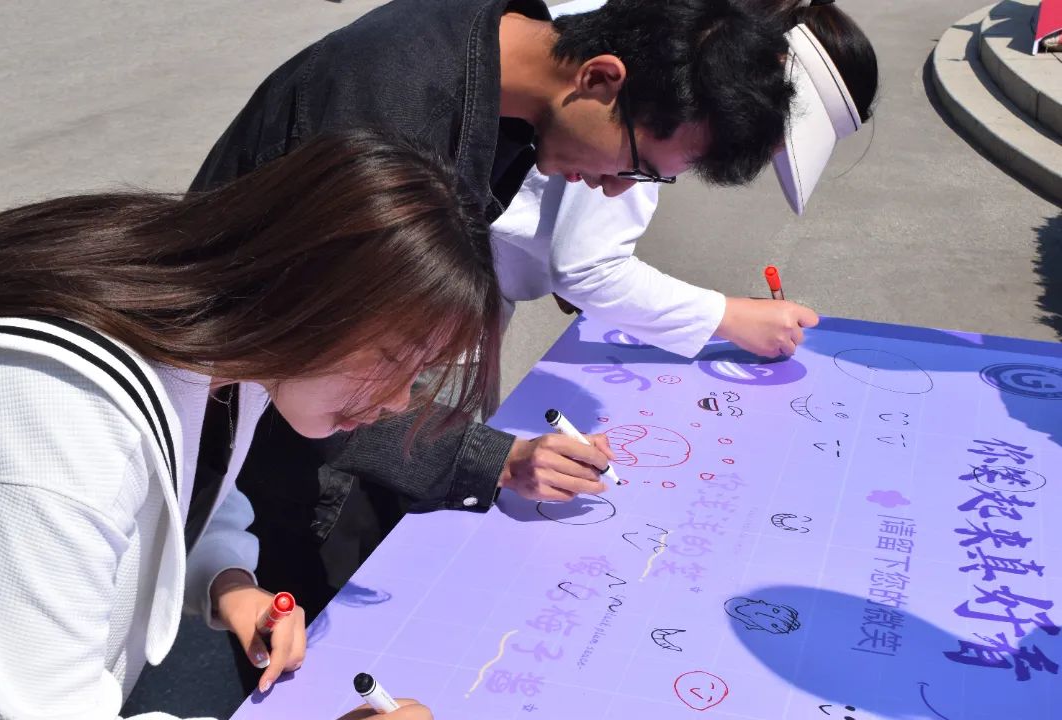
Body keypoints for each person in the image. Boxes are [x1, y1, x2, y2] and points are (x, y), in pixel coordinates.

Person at [190, 1, 800, 687]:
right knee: (316, 658)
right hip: (262, 448)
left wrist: (485, 455)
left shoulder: (491, 70)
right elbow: (327, 376)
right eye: (636, 165)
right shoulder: (387, 114)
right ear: (601, 78)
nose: (613, 189)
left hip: (287, 424)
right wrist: (486, 457)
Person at [0, 130, 512, 719]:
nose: (396, 401)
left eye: (421, 372)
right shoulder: (62, 417)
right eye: (393, 359)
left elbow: (181, 483)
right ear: (308, 288)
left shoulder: (227, 348)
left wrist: (226, 577)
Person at [492, 0, 879, 358]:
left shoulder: (635, 29)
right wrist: (729, 318)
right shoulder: (662, 88)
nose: (610, 186)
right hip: (464, 280)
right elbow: (586, 266)